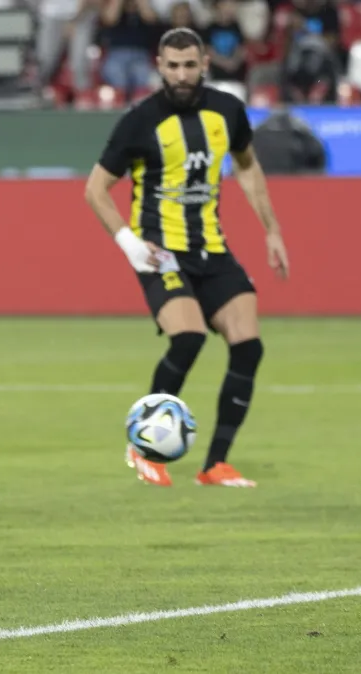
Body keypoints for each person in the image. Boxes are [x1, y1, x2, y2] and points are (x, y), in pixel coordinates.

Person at [83, 28, 291, 489]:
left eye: (189, 66)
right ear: (159, 65)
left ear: (204, 65)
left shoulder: (227, 111)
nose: (180, 75)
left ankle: (215, 464)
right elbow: (95, 190)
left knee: (249, 346)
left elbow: (248, 165)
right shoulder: (140, 121)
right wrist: (130, 244)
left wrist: (272, 230)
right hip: (161, 251)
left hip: (212, 248)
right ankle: (142, 450)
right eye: (172, 66)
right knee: (189, 337)